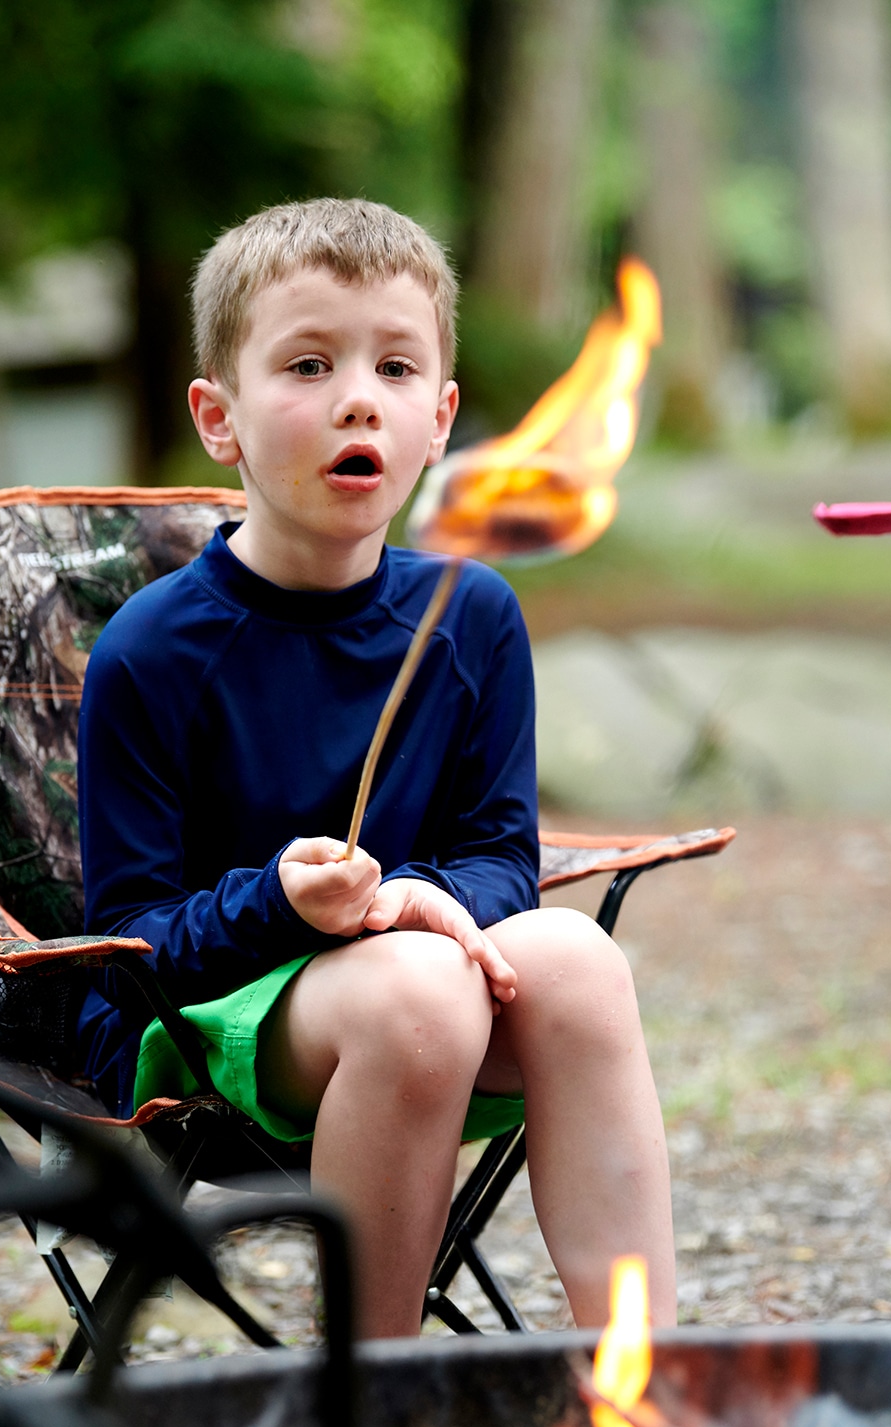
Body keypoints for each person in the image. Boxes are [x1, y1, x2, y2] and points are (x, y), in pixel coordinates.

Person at [78, 197, 675, 1338]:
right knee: (418, 991)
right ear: (220, 417)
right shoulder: (152, 652)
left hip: (422, 988)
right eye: (309, 364)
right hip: (197, 1026)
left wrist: (422, 899)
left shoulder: (471, 616)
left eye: (397, 368)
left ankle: (643, 1381)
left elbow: (502, 853)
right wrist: (283, 902)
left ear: (441, 418)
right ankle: (377, 1408)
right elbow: (126, 949)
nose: (360, 396)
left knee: (579, 958)